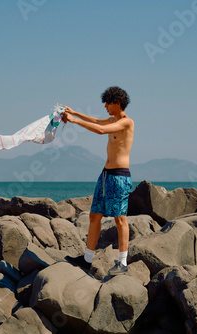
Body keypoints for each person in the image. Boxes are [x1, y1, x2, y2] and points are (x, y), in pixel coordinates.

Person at [62, 86, 134, 275]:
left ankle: (123, 262)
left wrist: (74, 121)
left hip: (119, 176)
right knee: (95, 216)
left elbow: (101, 130)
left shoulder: (127, 123)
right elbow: (95, 121)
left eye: (108, 103)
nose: (105, 106)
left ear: (117, 103)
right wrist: (73, 112)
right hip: (105, 176)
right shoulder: (113, 119)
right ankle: (86, 259)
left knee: (120, 219)